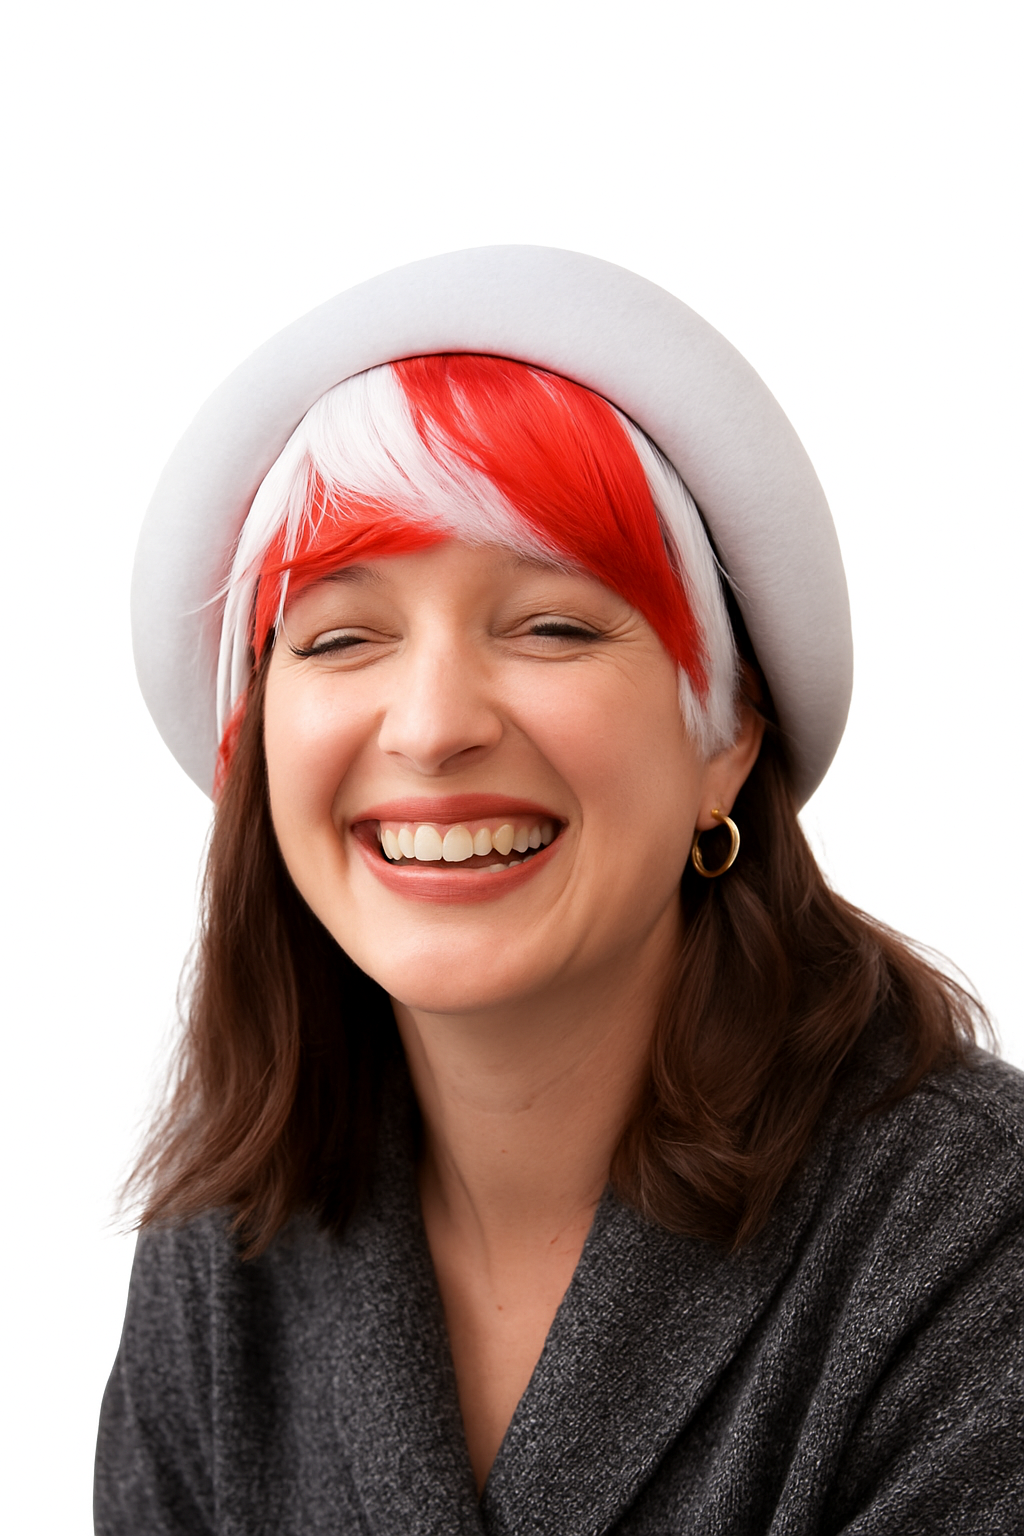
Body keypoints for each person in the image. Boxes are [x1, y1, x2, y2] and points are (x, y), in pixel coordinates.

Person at [96, 247, 1024, 1534]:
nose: (431, 727)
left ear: (725, 739)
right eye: (341, 636)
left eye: (551, 626)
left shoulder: (970, 1241)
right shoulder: (226, 1250)